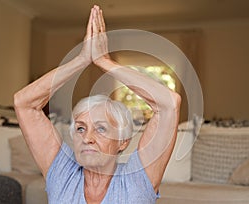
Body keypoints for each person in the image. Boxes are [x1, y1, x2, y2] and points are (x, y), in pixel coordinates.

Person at [14, 5, 181, 204]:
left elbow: (169, 103)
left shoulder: (136, 180)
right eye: (80, 128)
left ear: (123, 141)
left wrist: (104, 61)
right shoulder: (63, 175)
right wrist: (82, 59)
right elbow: (24, 103)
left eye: (101, 128)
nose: (87, 138)